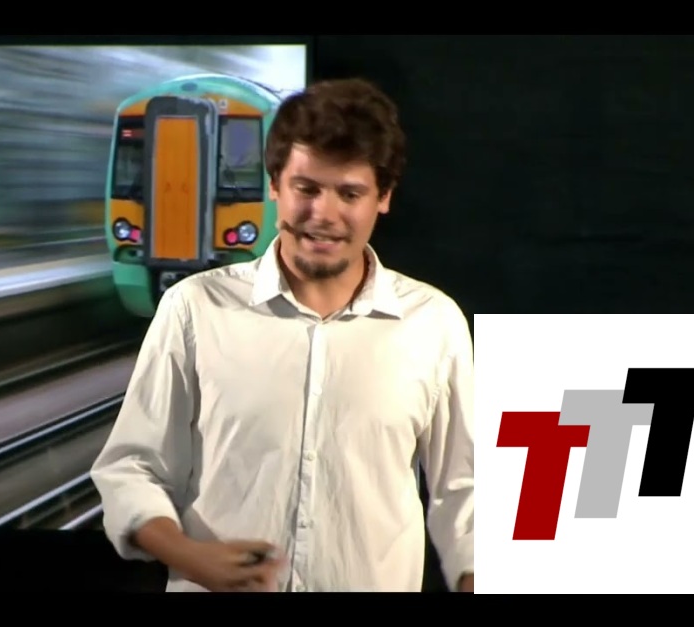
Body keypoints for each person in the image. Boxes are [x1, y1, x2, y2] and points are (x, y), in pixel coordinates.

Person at [90, 78, 474, 593]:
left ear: (383, 197)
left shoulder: (434, 322)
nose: (324, 215)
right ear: (275, 186)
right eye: (306, 189)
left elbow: (465, 491)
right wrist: (190, 557)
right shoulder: (193, 308)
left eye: (350, 193)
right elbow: (132, 467)